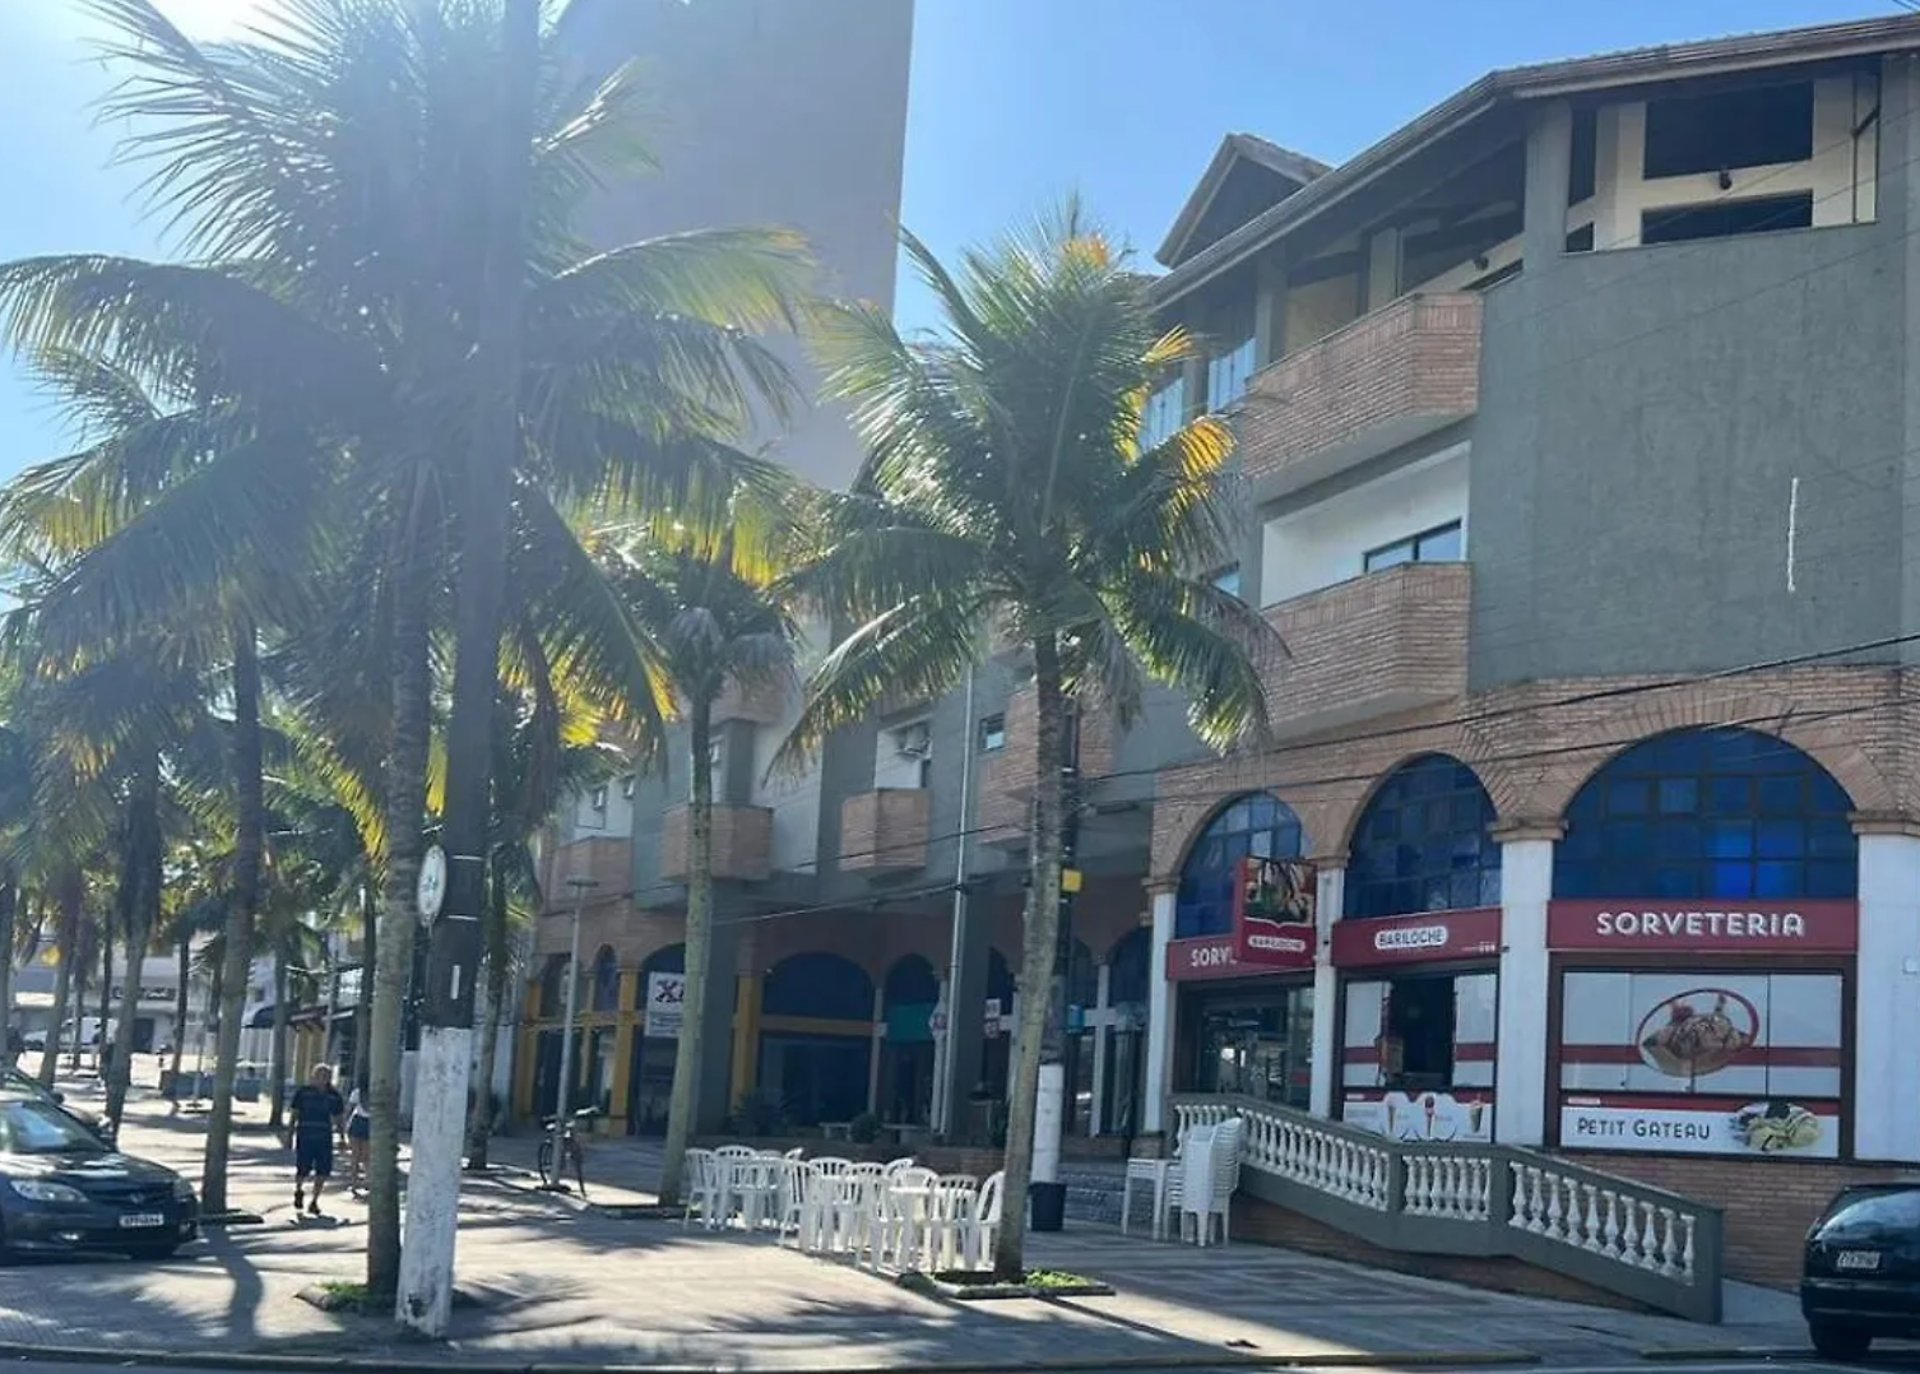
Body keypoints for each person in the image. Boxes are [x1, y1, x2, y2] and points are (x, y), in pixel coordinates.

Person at [283, 1063, 346, 1216]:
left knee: (323, 1170)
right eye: (319, 1076)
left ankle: (314, 1201)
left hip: (324, 1137)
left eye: (326, 1076)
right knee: (302, 1167)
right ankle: (299, 1190)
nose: (322, 1079)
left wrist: (342, 1137)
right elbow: (294, 1114)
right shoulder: (303, 1092)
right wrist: (289, 1135)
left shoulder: (334, 1096)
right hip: (305, 1135)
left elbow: (339, 1118)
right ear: (313, 1076)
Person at [344, 1074, 371, 1195]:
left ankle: (354, 1183)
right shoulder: (377, 1093)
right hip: (369, 1123)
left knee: (355, 1156)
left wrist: (345, 1123)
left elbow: (349, 1109)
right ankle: (367, 1180)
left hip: (358, 1122)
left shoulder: (357, 1092)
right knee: (366, 1156)